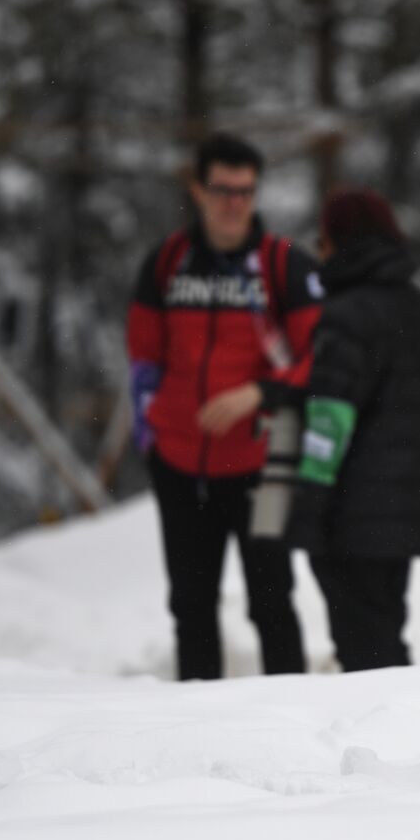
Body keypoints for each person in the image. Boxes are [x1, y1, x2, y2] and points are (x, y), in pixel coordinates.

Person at [126, 133, 323, 680]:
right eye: (221, 190)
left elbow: (320, 355)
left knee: (271, 600)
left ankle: (290, 721)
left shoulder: (284, 266)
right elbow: (143, 354)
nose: (233, 203)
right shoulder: (168, 263)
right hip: (180, 466)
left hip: (264, 465)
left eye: (245, 191)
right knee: (190, 604)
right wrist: (154, 432)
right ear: (198, 189)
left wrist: (260, 392)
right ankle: (195, 726)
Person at [282, 188, 420, 671]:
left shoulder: (347, 317)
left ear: (339, 243)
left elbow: (330, 419)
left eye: (322, 243)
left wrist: (308, 507)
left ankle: (387, 743)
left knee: (364, 650)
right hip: (403, 510)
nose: (318, 255)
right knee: (384, 637)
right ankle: (404, 737)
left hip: (349, 514)